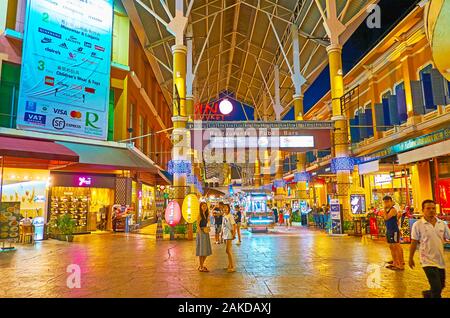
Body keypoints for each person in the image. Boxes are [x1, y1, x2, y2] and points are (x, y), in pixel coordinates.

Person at [409, 200, 450, 298]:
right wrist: (410, 257)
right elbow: (414, 242)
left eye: (433, 208)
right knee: (436, 289)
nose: (431, 210)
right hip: (427, 261)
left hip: (440, 260)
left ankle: (427, 294)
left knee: (441, 286)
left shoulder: (442, 223)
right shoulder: (417, 225)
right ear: (423, 210)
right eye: (428, 208)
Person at [383, 196, 405, 270]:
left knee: (396, 246)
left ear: (391, 201)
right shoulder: (387, 210)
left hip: (394, 230)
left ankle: (401, 264)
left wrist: (384, 210)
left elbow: (386, 217)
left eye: (387, 201)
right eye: (384, 202)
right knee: (391, 246)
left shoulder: (393, 210)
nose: (385, 203)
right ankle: (395, 263)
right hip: (389, 230)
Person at [196, 202, 212, 272]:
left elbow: (208, 223)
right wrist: (200, 233)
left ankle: (201, 265)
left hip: (205, 232)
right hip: (201, 233)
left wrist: (208, 225)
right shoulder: (199, 215)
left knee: (206, 250)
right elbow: (197, 225)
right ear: (200, 207)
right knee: (201, 250)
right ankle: (201, 266)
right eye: (203, 206)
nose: (204, 207)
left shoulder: (206, 214)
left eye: (205, 206)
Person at [222, 204, 237, 272]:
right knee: (227, 250)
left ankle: (232, 266)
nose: (225, 209)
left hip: (229, 234)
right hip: (225, 234)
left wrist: (234, 234)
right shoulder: (224, 216)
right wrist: (221, 234)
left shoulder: (230, 216)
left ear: (228, 209)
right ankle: (229, 265)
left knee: (228, 250)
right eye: (224, 208)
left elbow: (234, 225)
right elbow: (223, 226)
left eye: (226, 208)